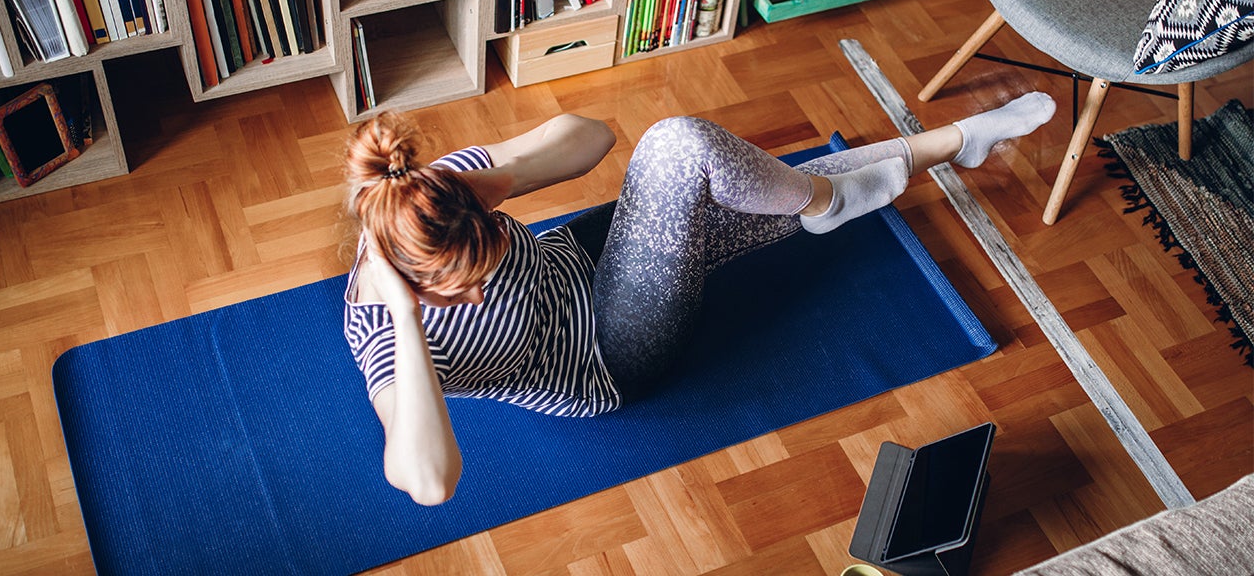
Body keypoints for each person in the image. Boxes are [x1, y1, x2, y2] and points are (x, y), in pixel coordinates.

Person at [343, 92, 1056, 504]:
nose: (488, 279)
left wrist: (503, 176)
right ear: (420, 288)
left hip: (586, 259)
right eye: (472, 283)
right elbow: (429, 483)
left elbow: (596, 138)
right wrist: (407, 320)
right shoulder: (386, 337)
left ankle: (949, 144)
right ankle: (847, 188)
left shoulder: (433, 202)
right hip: (609, 352)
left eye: (496, 240)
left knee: (720, 172)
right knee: (690, 153)